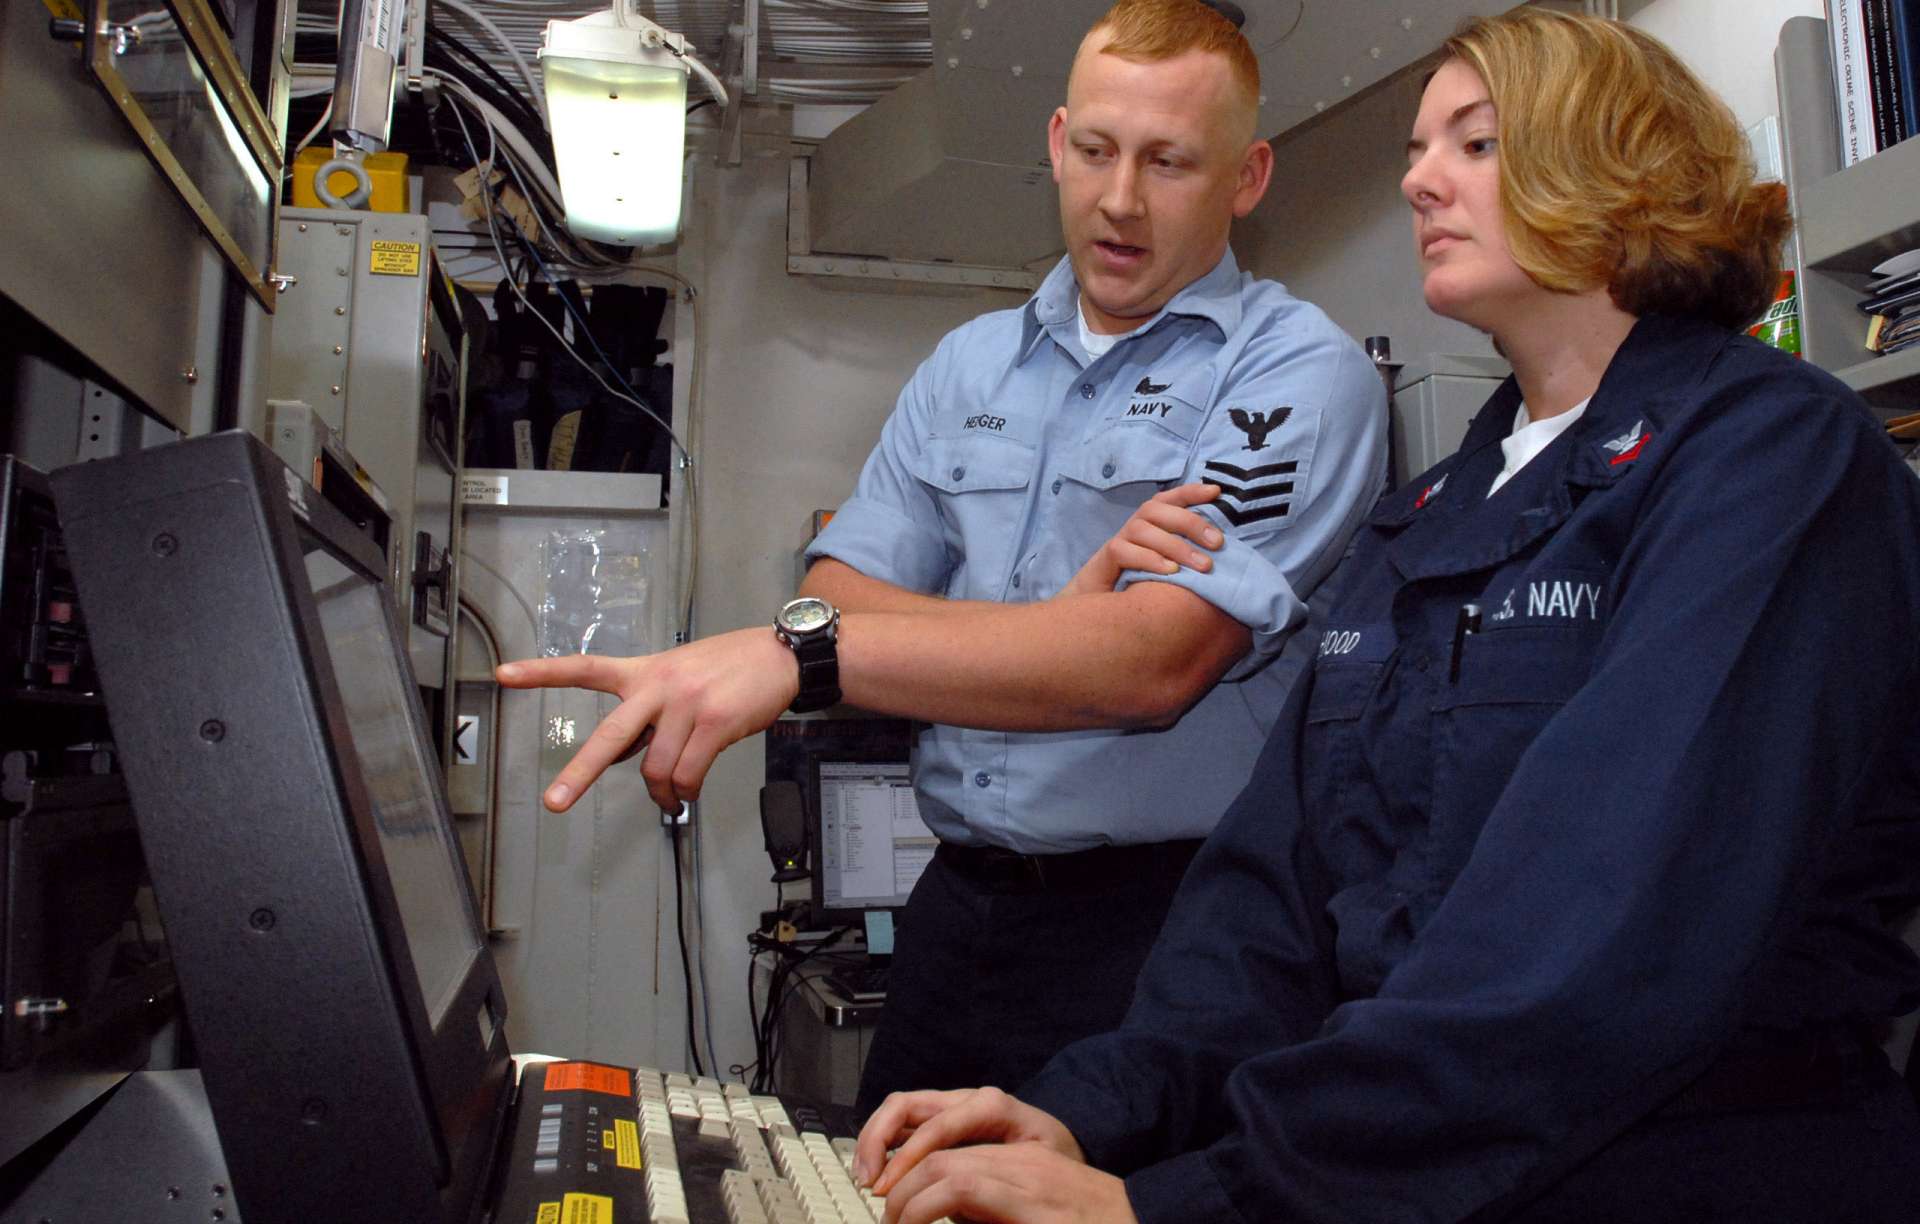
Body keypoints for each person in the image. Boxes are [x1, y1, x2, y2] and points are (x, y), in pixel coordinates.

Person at [852, 10, 1920, 1222]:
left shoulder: (1773, 458)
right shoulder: (1433, 513)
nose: (1419, 178)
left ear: (1619, 163)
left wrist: (1178, 1205)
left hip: (1686, 1172)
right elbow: (1273, 905)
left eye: (1475, 143)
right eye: (1420, 148)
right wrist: (1086, 1109)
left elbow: (1589, 953)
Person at [496, 0, 1387, 1114]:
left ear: (1247, 177)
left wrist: (813, 659)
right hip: (955, 913)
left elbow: (1152, 664)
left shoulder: (1296, 376)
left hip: (1163, 928)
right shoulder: (968, 368)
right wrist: (1063, 623)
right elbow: (829, 591)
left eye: (1169, 162)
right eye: (1100, 152)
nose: (1120, 200)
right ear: (1058, 143)